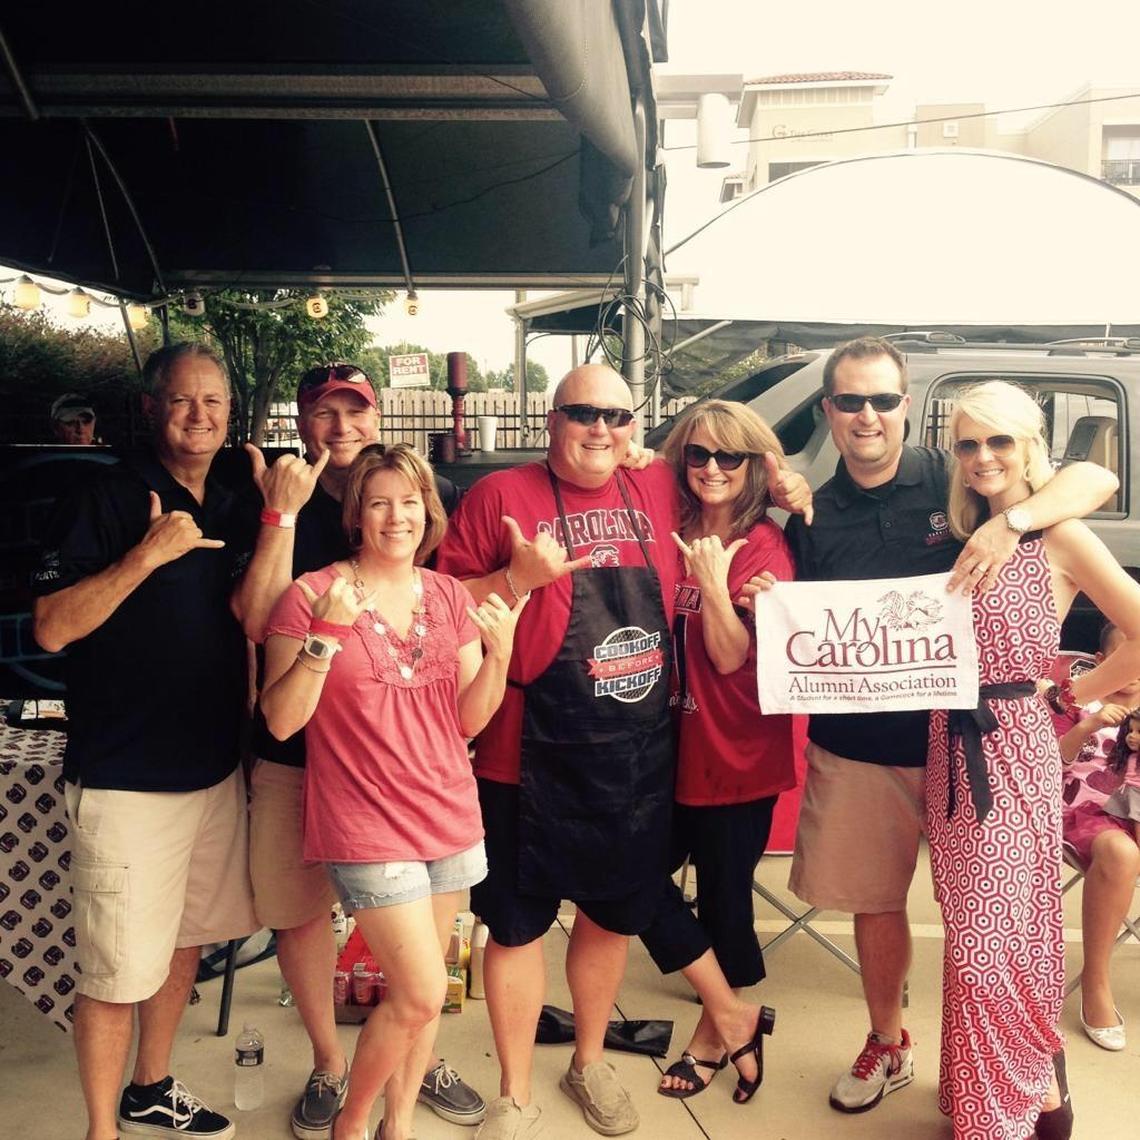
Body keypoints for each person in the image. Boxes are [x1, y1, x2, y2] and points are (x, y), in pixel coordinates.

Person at [778, 337, 1119, 1116]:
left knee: (996, 934)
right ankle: (892, 1044)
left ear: (907, 406)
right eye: (850, 401)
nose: (868, 415)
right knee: (890, 909)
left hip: (980, 748)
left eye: (884, 400)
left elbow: (1096, 475)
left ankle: (1026, 1071)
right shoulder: (810, 511)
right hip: (871, 747)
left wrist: (1015, 522)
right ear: (828, 411)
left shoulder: (957, 478)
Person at [231, 362, 484, 1137]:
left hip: (417, 776)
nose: (340, 426)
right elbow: (254, 618)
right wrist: (279, 516)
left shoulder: (422, 548)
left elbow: (463, 667)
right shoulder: (277, 491)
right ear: (302, 421)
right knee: (301, 916)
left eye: (355, 411)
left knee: (422, 976)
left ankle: (401, 1073)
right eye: (324, 412)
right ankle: (330, 1065)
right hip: (305, 757)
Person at [434, 363, 683, 1140]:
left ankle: (588, 1063)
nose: (600, 429)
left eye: (616, 415)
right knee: (514, 929)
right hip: (524, 756)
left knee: (610, 920)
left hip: (632, 754)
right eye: (583, 413)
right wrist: (515, 577)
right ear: (552, 419)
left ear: (635, 424)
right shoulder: (499, 498)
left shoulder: (660, 488)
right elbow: (440, 608)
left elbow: (749, 471)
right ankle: (514, 1091)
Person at [259, 443, 526, 1140]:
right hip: (364, 820)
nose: (396, 516)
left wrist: (499, 657)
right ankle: (353, 1123)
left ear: (429, 513)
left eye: (409, 502)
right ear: (356, 513)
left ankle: (397, 1124)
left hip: (449, 814)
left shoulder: (446, 596)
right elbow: (282, 719)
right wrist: (323, 639)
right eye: (379, 501)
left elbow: (469, 716)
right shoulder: (313, 592)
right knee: (422, 990)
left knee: (424, 995)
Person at [31, 343, 256, 1140]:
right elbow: (53, 629)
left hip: (213, 769)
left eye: (214, 401)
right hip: (126, 776)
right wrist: (144, 557)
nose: (200, 415)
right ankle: (101, 1129)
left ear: (231, 413)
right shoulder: (107, 494)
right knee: (116, 974)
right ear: (151, 407)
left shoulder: (234, 496)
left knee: (183, 946)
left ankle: (151, 1088)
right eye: (183, 400)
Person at [926, 380, 1140, 1139]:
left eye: (999, 441)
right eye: (968, 443)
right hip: (948, 744)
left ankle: (1022, 1104)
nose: (983, 457)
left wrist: (1076, 693)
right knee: (978, 933)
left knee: (996, 941)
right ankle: (986, 1091)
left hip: (1014, 745)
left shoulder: (1058, 533)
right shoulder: (963, 530)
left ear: (1029, 446)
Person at [639, 400, 794, 1104]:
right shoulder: (665, 525)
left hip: (735, 750)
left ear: (753, 464)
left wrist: (711, 584)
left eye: (728, 457)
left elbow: (731, 659)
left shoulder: (763, 546)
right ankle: (736, 1014)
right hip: (660, 748)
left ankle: (712, 1034)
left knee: (725, 902)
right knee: (625, 879)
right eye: (697, 455)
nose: (711, 469)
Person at [1054, 622, 1140, 1052]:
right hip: (1087, 812)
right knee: (1120, 852)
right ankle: (1096, 982)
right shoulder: (1078, 699)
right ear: (1105, 662)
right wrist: (1085, 729)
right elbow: (1047, 763)